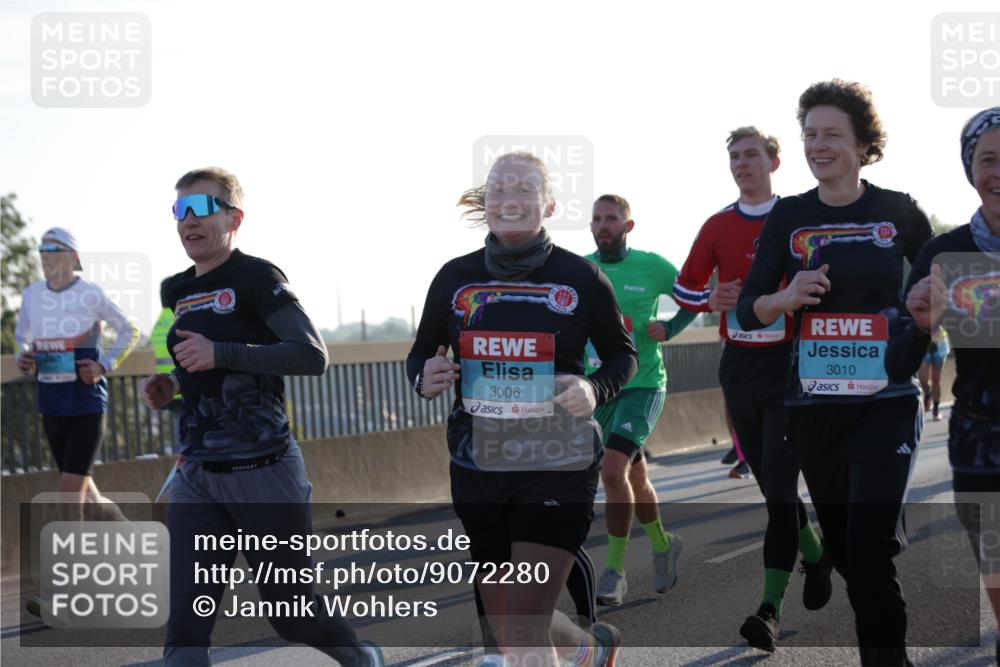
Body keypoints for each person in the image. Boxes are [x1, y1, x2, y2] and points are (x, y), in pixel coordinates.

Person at [140, 167, 382, 667]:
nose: (188, 220)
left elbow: (311, 356)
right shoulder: (173, 291)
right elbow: (184, 362)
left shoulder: (258, 277)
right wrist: (169, 386)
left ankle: (363, 658)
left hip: (264, 473)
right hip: (198, 477)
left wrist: (222, 352)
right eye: (179, 210)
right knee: (184, 629)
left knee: (290, 613)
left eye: (202, 208)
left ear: (234, 218)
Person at [406, 152, 637, 667]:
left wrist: (595, 389)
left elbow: (623, 355)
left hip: (558, 459)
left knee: (525, 631)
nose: (509, 199)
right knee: (509, 629)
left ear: (548, 204)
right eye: (498, 189)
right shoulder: (453, 278)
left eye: (524, 189)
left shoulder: (582, 278)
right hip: (479, 461)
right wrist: (426, 377)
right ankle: (588, 648)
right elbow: (421, 353)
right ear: (486, 202)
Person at [735, 81, 932, 666]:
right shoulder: (790, 216)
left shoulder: (899, 213)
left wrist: (926, 317)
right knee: (847, 553)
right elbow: (750, 308)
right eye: (810, 135)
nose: (818, 146)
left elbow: (943, 292)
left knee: (870, 552)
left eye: (831, 135)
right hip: (814, 406)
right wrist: (786, 296)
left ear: (864, 143)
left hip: (887, 399)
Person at [673, 126, 830, 651]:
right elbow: (685, 288)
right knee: (773, 490)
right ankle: (814, 552)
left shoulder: (800, 219)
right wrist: (710, 297)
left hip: (791, 367)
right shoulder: (718, 224)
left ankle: (768, 609)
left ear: (775, 162)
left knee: (781, 494)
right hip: (739, 366)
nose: (742, 164)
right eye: (735, 157)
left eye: (751, 156)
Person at [886, 106, 1000, 664]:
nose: (999, 170)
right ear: (970, 169)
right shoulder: (943, 254)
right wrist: (923, 323)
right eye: (988, 159)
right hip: (981, 436)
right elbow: (898, 361)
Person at [16, 227, 139, 615]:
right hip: (51, 406)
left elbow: (129, 330)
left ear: (72, 256)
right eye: (41, 249)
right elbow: (23, 339)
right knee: (89, 496)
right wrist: (24, 356)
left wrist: (104, 364)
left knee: (69, 496)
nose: (45, 255)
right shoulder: (32, 295)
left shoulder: (91, 294)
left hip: (87, 405)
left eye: (53, 249)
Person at [584, 193, 694, 606]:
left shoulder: (651, 265)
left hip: (644, 384)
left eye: (611, 218)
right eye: (597, 219)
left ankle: (615, 571)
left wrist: (673, 325)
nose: (603, 225)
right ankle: (664, 545)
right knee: (633, 478)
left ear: (627, 226)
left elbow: (693, 296)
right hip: (601, 388)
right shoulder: (584, 269)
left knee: (612, 470)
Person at [918, 326, 950, 421]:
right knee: (922, 379)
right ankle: (928, 393)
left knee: (936, 379)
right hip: (923, 345)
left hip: (940, 344)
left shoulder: (937, 311)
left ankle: (936, 410)